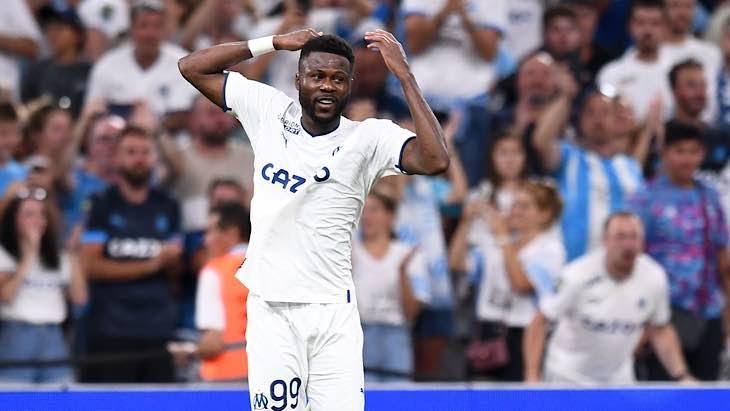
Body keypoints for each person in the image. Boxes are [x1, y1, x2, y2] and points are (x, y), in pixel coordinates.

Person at [178, 28, 449, 410]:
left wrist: (405, 76)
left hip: (333, 313)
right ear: (297, 80)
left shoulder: (368, 138)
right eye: (317, 76)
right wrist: (272, 42)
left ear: (349, 86)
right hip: (272, 310)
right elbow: (191, 67)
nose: (327, 86)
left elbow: (436, 160)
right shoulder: (268, 111)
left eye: (338, 79)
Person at [524, 212, 693, 384]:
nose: (628, 245)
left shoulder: (654, 277)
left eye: (634, 237)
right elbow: (540, 321)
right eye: (620, 237)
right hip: (568, 377)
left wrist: (682, 376)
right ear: (605, 241)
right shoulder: (576, 275)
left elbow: (660, 329)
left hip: (618, 380)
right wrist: (532, 377)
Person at [79, 125, 182, 383]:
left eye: (145, 152)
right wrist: (152, 265)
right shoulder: (101, 204)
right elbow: (90, 266)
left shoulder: (168, 205)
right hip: (110, 330)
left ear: (154, 157)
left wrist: (172, 263)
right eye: (131, 152)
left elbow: (176, 268)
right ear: (117, 157)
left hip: (158, 328)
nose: (139, 159)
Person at [630, 121, 730, 381]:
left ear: (703, 154)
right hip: (663, 313)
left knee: (707, 391)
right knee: (664, 393)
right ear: (664, 153)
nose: (687, 159)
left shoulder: (710, 196)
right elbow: (634, 258)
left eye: (693, 151)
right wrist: (640, 319)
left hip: (709, 311)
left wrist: (728, 311)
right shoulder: (646, 198)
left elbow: (722, 257)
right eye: (679, 151)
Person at [450, 181, 564, 381]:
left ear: (545, 214)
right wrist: (466, 222)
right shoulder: (496, 242)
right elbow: (456, 262)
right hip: (487, 330)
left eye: (524, 206)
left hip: (523, 335)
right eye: (514, 205)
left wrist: (502, 237)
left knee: (515, 397)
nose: (515, 211)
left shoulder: (550, 250)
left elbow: (521, 284)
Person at [532, 71, 644, 261]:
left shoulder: (630, 166)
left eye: (605, 112)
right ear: (581, 120)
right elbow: (541, 140)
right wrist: (565, 98)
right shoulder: (568, 157)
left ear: (616, 120)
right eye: (590, 112)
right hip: (572, 264)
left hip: (621, 267)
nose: (597, 119)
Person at [0, 188, 86, 383]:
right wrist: (29, 254)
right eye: (29, 215)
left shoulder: (57, 257)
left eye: (41, 215)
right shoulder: (3, 254)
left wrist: (72, 254)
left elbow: (79, 297)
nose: (37, 220)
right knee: (13, 394)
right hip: (17, 334)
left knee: (59, 393)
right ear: (14, 220)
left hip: (54, 336)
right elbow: (5, 295)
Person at [353, 187, 430, 382]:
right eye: (363, 210)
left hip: (397, 336)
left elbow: (411, 313)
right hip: (358, 334)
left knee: (398, 393)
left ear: (390, 216)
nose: (367, 217)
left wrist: (402, 273)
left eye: (374, 210)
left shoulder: (407, 254)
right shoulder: (349, 252)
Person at [85, 0, 197, 118]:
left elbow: (186, 114)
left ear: (165, 29)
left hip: (167, 129)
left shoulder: (183, 63)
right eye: (143, 25)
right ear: (131, 29)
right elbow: (93, 112)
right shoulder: (107, 65)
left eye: (157, 26)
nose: (150, 33)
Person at [195, 202, 251, 382]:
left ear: (232, 233)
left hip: (226, 376)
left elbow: (213, 342)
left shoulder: (215, 272)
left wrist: (190, 351)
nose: (205, 240)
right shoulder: (274, 265)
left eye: (211, 231)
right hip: (273, 373)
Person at [598, 0, 672, 121]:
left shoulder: (678, 71)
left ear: (666, 28)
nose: (647, 30)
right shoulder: (610, 73)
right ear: (629, 27)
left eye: (655, 23)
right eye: (640, 23)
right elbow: (606, 116)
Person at [21, 6, 92, 118]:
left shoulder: (89, 72)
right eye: (48, 28)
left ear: (78, 35)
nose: (52, 34)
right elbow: (26, 110)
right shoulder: (37, 70)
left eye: (59, 28)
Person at [662, 0, 721, 123]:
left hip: (707, 129)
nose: (682, 13)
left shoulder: (712, 53)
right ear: (662, 9)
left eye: (688, 6)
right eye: (675, 5)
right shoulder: (651, 55)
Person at [0, 101, 25, 197]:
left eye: (16, 133)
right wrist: (8, 197)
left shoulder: (22, 170)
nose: (12, 140)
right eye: (3, 134)